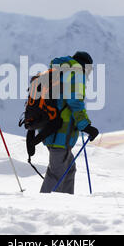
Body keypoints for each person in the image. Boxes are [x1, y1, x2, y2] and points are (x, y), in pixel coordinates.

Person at [40, 51, 99, 194]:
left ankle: (66, 203)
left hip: (51, 129)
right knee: (57, 174)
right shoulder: (76, 73)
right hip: (61, 132)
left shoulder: (58, 70)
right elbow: (75, 102)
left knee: (68, 169)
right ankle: (43, 206)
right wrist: (85, 125)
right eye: (89, 70)